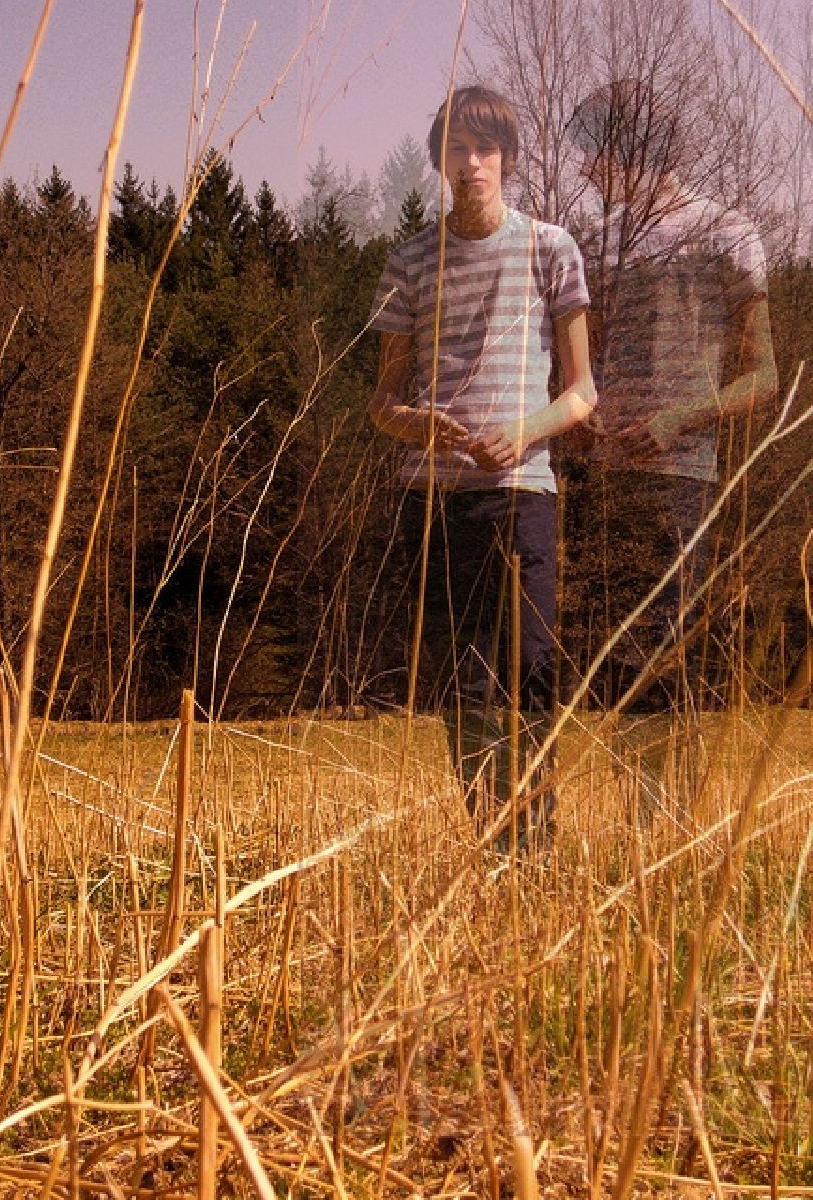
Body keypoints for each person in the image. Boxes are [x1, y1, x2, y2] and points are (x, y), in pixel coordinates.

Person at [368, 86, 596, 851]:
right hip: (434, 501)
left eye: (485, 148)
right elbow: (382, 403)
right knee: (464, 686)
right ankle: (496, 846)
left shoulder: (551, 249)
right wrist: (422, 427)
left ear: (508, 158)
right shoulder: (408, 261)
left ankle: (535, 847)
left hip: (522, 495)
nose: (472, 163)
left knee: (533, 672)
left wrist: (522, 432)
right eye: (458, 149)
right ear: (441, 161)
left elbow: (582, 393)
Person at [564, 79, 777, 815]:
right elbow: (580, 366)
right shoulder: (596, 242)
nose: (587, 169)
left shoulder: (727, 232)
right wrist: (579, 417)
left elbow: (764, 376)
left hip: (680, 477)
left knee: (667, 654)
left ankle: (668, 828)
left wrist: (676, 420)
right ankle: (633, 831)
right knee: (612, 663)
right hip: (601, 479)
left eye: (595, 152)